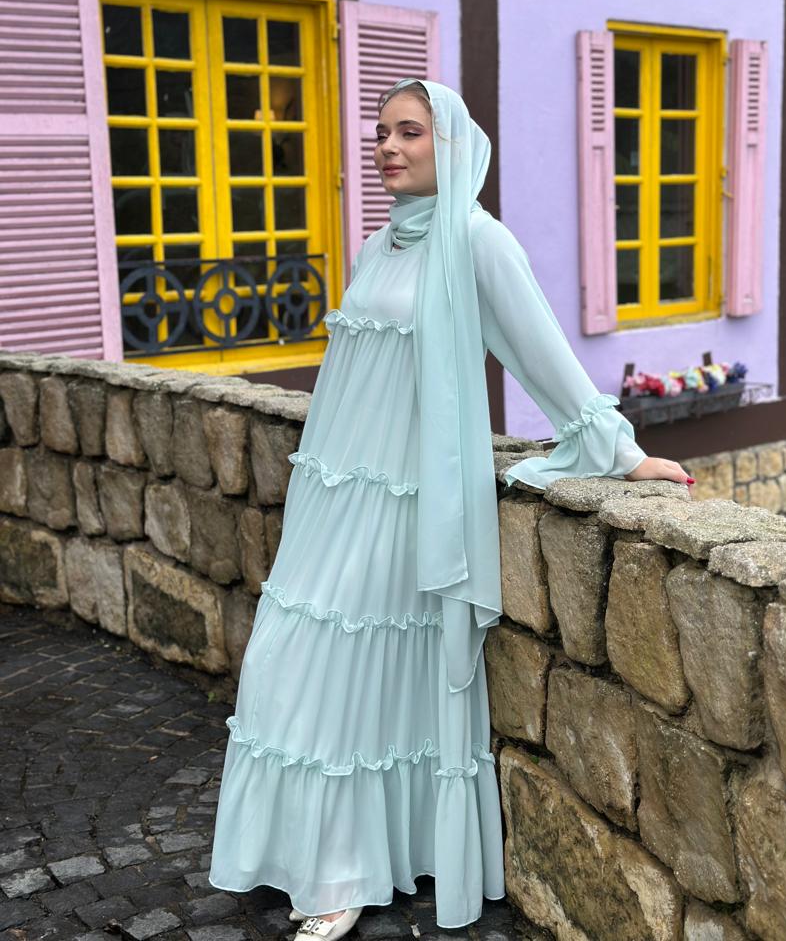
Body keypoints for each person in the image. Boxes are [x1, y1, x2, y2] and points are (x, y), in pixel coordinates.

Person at [207, 79, 693, 939]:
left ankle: (342, 873)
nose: (388, 148)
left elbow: (542, 351)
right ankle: (314, 850)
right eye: (381, 133)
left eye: (409, 132)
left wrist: (623, 453)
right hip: (337, 495)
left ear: (451, 143)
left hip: (412, 502)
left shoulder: (475, 240)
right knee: (286, 659)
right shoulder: (377, 246)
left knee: (351, 675)